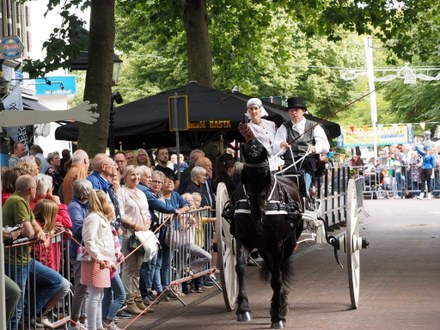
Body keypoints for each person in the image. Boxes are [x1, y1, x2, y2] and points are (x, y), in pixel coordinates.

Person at [3, 175, 65, 330]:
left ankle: (29, 311)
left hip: (25, 259)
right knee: (15, 306)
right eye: (35, 188)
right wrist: (37, 234)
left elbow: (34, 226)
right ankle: (21, 317)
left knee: (57, 281)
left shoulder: (22, 201)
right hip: (14, 261)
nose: (36, 190)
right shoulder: (16, 201)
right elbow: (30, 232)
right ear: (31, 189)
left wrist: (40, 233)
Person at [273, 96, 330, 198]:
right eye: (291, 111)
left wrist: (315, 148)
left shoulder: (314, 126)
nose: (294, 113)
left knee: (307, 164)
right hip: (291, 159)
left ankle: (305, 192)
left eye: (296, 110)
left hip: (309, 158)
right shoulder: (283, 127)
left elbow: (325, 145)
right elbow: (276, 148)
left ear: (303, 111)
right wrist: (282, 146)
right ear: (288, 113)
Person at [81, 189, 118, 330]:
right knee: (94, 295)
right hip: (96, 260)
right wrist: (98, 258)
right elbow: (89, 240)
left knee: (99, 295)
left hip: (103, 260)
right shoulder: (93, 218)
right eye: (107, 201)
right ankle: (92, 327)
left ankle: (97, 325)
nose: (109, 203)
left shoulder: (100, 217)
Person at [117, 165, 152, 315]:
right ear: (125, 176)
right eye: (132, 174)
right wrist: (135, 225)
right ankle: (128, 301)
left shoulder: (141, 192)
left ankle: (137, 299)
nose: (136, 177)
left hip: (142, 234)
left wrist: (147, 223)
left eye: (138, 174)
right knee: (129, 268)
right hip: (129, 235)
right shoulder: (121, 192)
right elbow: (120, 214)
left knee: (138, 268)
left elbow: (147, 212)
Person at [68, 179, 93, 330]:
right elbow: (77, 228)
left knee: (86, 287)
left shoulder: (87, 205)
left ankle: (83, 318)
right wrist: (93, 224)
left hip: (86, 250)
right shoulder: (74, 206)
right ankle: (74, 320)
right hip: (79, 251)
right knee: (80, 287)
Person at [238, 98, 282, 171]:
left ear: (260, 109)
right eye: (251, 109)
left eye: (256, 108)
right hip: (260, 163)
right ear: (248, 111)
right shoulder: (247, 128)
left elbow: (277, 141)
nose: (254, 111)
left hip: (277, 159)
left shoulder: (271, 124)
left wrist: (281, 144)